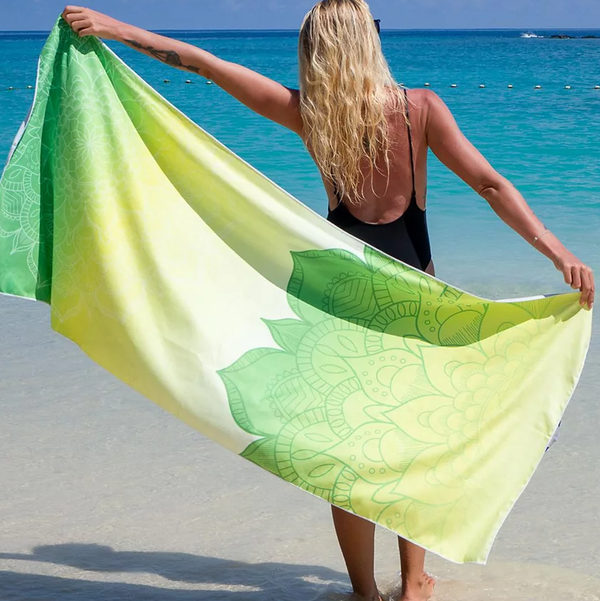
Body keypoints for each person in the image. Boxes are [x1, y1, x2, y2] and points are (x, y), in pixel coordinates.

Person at [62, 2, 595, 600]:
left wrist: (117, 30)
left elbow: (206, 65)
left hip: (342, 300)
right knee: (411, 441)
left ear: (315, 50)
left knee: (348, 452)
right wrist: (557, 252)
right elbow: (490, 184)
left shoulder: (310, 115)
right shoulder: (420, 109)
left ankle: (364, 592)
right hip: (417, 299)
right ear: (368, 41)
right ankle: (415, 583)